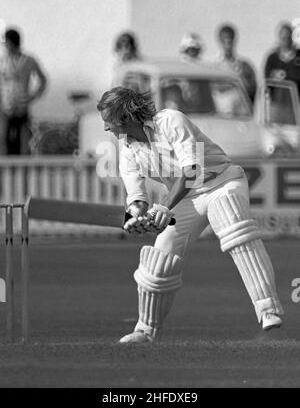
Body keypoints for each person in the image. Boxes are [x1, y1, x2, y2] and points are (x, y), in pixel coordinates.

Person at [97, 86, 283, 344]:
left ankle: (268, 308)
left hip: (220, 183)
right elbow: (136, 195)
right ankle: (146, 331)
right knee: (158, 263)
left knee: (235, 232)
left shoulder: (171, 120)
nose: (107, 128)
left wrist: (163, 208)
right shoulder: (127, 148)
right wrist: (137, 216)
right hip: (186, 199)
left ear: (125, 116)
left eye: (109, 121)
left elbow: (193, 172)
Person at [0, 28, 47, 155]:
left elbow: (43, 79)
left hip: (22, 104)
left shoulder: (28, 60)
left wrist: (34, 96)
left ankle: (22, 164)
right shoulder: (3, 61)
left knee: (23, 138)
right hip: (6, 105)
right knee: (5, 137)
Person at [216, 24, 257, 104]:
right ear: (220, 41)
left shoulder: (245, 66)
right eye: (224, 40)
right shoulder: (214, 66)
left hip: (240, 112)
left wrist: (242, 79)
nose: (228, 44)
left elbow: (253, 90)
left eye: (230, 40)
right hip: (221, 111)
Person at [264, 22, 300, 98]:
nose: (286, 41)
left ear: (292, 38)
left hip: (297, 100)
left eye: (288, 37)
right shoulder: (272, 58)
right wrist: (274, 76)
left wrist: (286, 75)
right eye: (283, 38)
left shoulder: (298, 55)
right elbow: (266, 79)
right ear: (279, 38)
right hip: (278, 102)